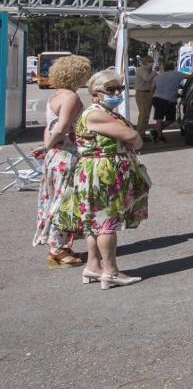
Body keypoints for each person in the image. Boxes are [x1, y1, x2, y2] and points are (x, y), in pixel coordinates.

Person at [56, 70, 149, 289]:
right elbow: (132, 137)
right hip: (102, 172)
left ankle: (93, 266)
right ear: (96, 93)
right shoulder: (96, 113)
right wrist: (134, 139)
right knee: (106, 223)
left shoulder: (101, 111)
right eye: (111, 89)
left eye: (119, 88)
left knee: (94, 223)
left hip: (96, 170)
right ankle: (111, 272)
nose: (117, 93)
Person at [32, 55, 92, 267]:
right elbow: (63, 126)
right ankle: (57, 250)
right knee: (65, 201)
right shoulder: (71, 97)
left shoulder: (55, 95)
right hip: (67, 154)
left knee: (56, 198)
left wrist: (47, 148)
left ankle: (61, 246)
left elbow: (51, 126)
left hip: (56, 155)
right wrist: (48, 147)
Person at [150, 60, 184, 143]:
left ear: (164, 68)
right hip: (168, 100)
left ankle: (156, 131)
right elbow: (191, 77)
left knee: (162, 119)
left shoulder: (157, 77)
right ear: (173, 67)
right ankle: (159, 136)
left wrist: (152, 97)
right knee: (168, 119)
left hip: (158, 99)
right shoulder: (177, 74)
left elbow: (151, 89)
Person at [132, 55, 156, 140]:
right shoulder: (141, 69)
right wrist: (153, 73)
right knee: (143, 114)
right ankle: (139, 134)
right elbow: (147, 78)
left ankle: (142, 133)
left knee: (146, 115)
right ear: (145, 62)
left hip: (147, 93)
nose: (151, 64)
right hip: (142, 93)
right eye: (150, 62)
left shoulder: (148, 70)